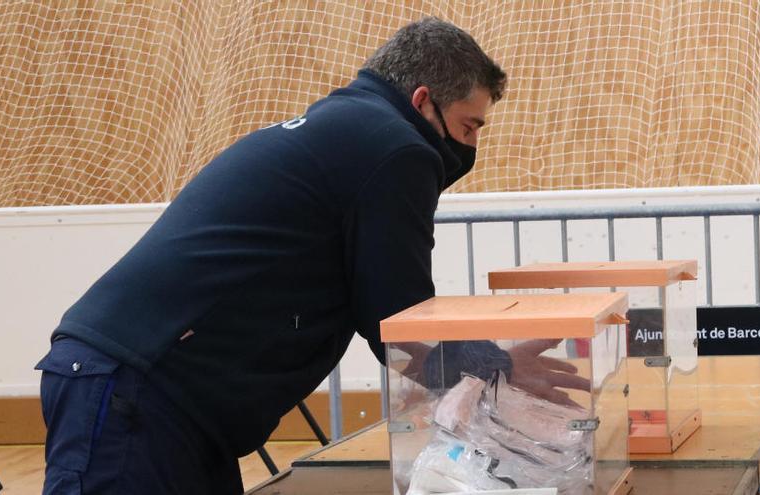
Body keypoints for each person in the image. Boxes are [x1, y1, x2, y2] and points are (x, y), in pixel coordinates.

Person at [36, 17, 582, 494]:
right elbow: (400, 317)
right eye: (468, 126)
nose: (470, 148)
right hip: (137, 391)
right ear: (422, 101)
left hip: (153, 390)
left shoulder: (350, 127)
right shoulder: (395, 148)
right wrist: (498, 371)